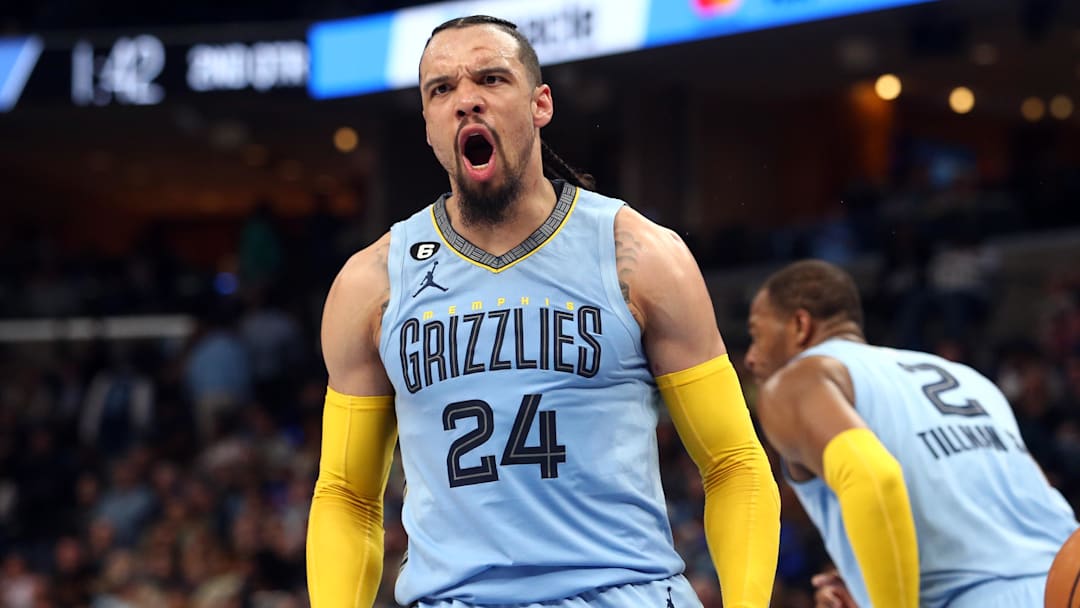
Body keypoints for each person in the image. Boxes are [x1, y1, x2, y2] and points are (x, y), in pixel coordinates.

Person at [306, 14, 780, 608]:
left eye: (491, 79)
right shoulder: (371, 282)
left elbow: (733, 462)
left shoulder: (639, 255)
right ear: (428, 123)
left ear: (540, 104)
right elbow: (347, 494)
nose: (466, 102)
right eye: (441, 89)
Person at [743, 259, 1079, 608]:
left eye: (756, 334)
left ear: (800, 325)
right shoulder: (968, 379)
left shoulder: (797, 381)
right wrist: (867, 578)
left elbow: (874, 478)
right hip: (1065, 580)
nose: (751, 357)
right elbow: (1037, 494)